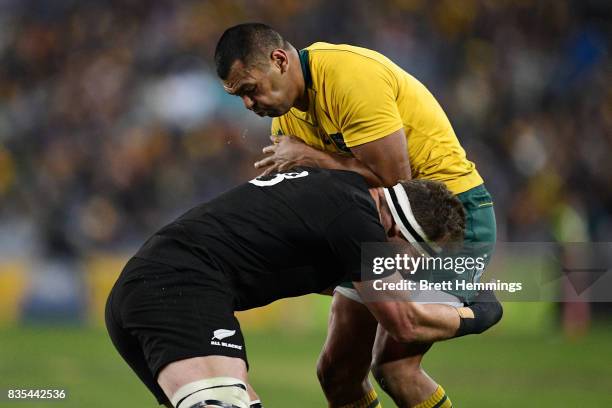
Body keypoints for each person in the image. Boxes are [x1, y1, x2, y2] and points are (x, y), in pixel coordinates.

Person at [215, 23, 497, 408]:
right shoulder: (285, 123)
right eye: (239, 96)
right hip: (380, 226)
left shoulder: (347, 75)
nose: (249, 104)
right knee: (338, 373)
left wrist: (313, 158)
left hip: (445, 217)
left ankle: (478, 312)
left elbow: (397, 181)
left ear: (279, 60)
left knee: (395, 369)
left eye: (250, 88)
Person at [105, 167, 502, 408]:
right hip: (177, 289)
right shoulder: (357, 223)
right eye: (418, 258)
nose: (412, 270)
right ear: (399, 232)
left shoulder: (342, 198)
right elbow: (404, 323)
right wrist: (476, 315)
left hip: (155, 288)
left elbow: (381, 294)